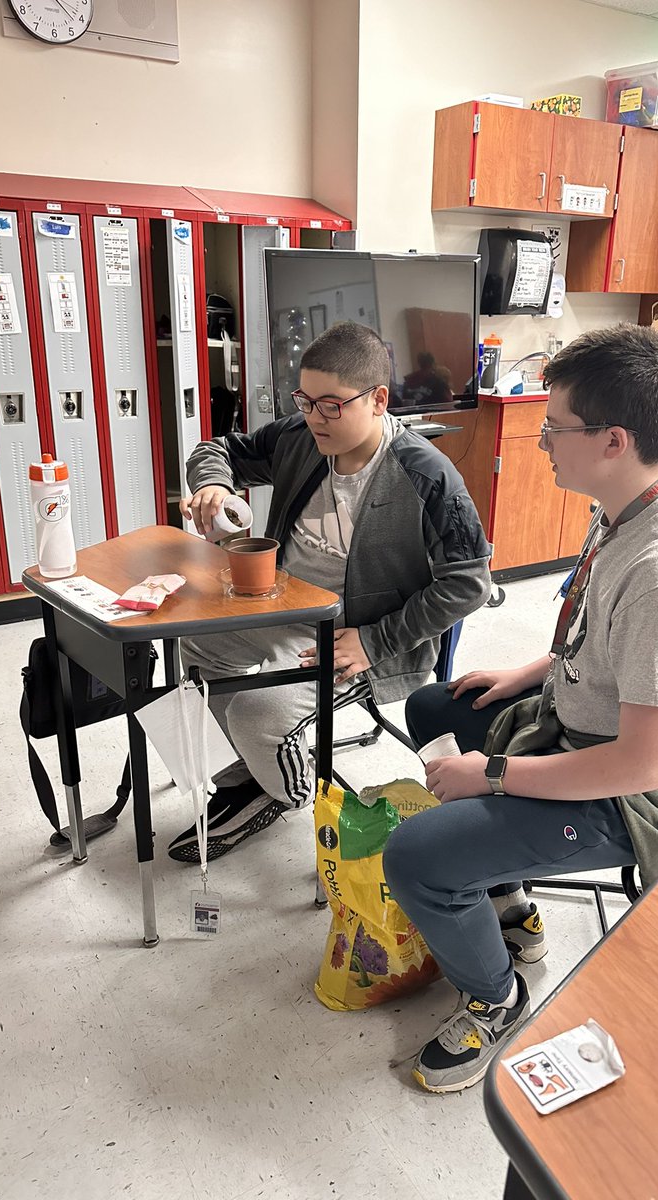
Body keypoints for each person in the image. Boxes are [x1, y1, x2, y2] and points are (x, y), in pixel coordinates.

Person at [383, 323, 658, 1094]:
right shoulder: (623, 503)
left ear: (613, 440)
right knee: (431, 707)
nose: (542, 438)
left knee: (416, 856)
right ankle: (507, 902)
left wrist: (496, 775)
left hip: (648, 791)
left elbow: (642, 763)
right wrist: (528, 672)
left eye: (555, 426)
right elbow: (599, 642)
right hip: (588, 723)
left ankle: (494, 996)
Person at [167, 320, 491, 863]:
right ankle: (264, 768)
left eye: (332, 405)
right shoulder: (300, 437)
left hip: (362, 640)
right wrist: (212, 483)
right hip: (285, 608)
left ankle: (288, 794)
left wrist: (373, 641)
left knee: (256, 715)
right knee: (194, 647)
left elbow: (469, 583)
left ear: (378, 399)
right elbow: (216, 447)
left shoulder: (425, 474)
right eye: (306, 399)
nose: (315, 417)